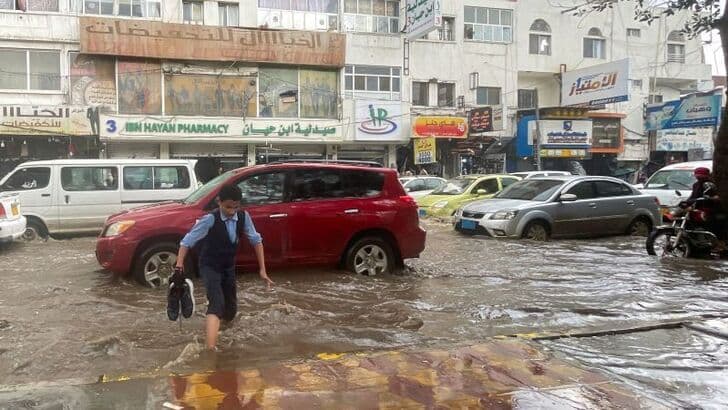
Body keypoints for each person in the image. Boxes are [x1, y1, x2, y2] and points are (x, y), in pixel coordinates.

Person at [175, 184, 274, 350]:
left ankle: (218, 330)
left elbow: (256, 241)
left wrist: (262, 270)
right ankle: (211, 350)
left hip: (228, 266)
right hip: (209, 266)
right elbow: (186, 242)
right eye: (228, 207)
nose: (232, 211)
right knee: (217, 303)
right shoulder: (210, 219)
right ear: (219, 202)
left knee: (231, 309)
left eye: (236, 207)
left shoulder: (243, 217)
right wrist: (179, 266)